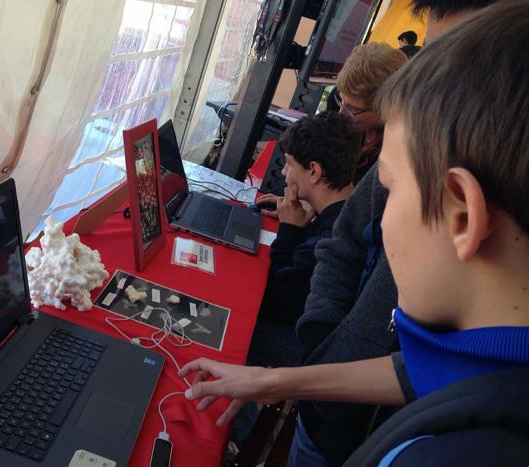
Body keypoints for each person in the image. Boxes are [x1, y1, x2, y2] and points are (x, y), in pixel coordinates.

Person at [179, 3, 529, 466]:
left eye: (390, 188)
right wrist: (273, 381)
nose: (378, 221)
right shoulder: (487, 363)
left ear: (462, 217)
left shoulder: (446, 453)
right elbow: (419, 371)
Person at [292, 0, 499, 464]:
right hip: (329, 418)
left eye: (394, 188)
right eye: (430, 57)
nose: (385, 223)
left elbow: (427, 367)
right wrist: (323, 338)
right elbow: (342, 244)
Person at [229, 112, 360, 450]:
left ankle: (234, 436)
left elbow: (279, 296)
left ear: (314, 171)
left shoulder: (334, 234)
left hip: (312, 350)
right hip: (321, 334)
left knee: (238, 331)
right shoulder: (344, 209)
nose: (285, 174)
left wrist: (288, 230)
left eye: (289, 165)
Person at [332, 43, 407, 183]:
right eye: (340, 101)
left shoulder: (403, 158)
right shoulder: (351, 128)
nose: (341, 113)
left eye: (352, 109)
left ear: (387, 108)